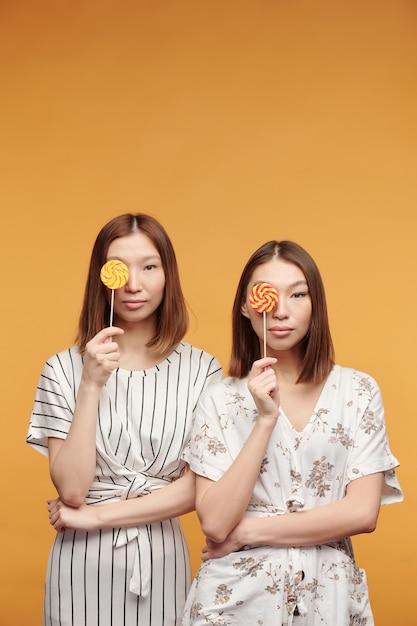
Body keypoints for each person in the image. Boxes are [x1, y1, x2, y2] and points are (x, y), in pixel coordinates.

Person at [180, 240, 402, 626]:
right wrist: (265, 420)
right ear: (247, 306)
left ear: (316, 304)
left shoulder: (359, 391)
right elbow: (215, 524)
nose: (281, 311)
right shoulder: (219, 399)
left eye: (298, 294)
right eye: (268, 295)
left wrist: (246, 531)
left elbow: (363, 513)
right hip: (234, 600)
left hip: (327, 598)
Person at [27, 213, 223, 626]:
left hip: (161, 554)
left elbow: (199, 489)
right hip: (81, 561)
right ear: (102, 276)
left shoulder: (204, 371)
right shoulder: (61, 369)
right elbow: (73, 489)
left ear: (168, 274)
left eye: (149, 267)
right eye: (121, 267)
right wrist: (91, 384)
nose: (134, 284)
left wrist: (100, 516)